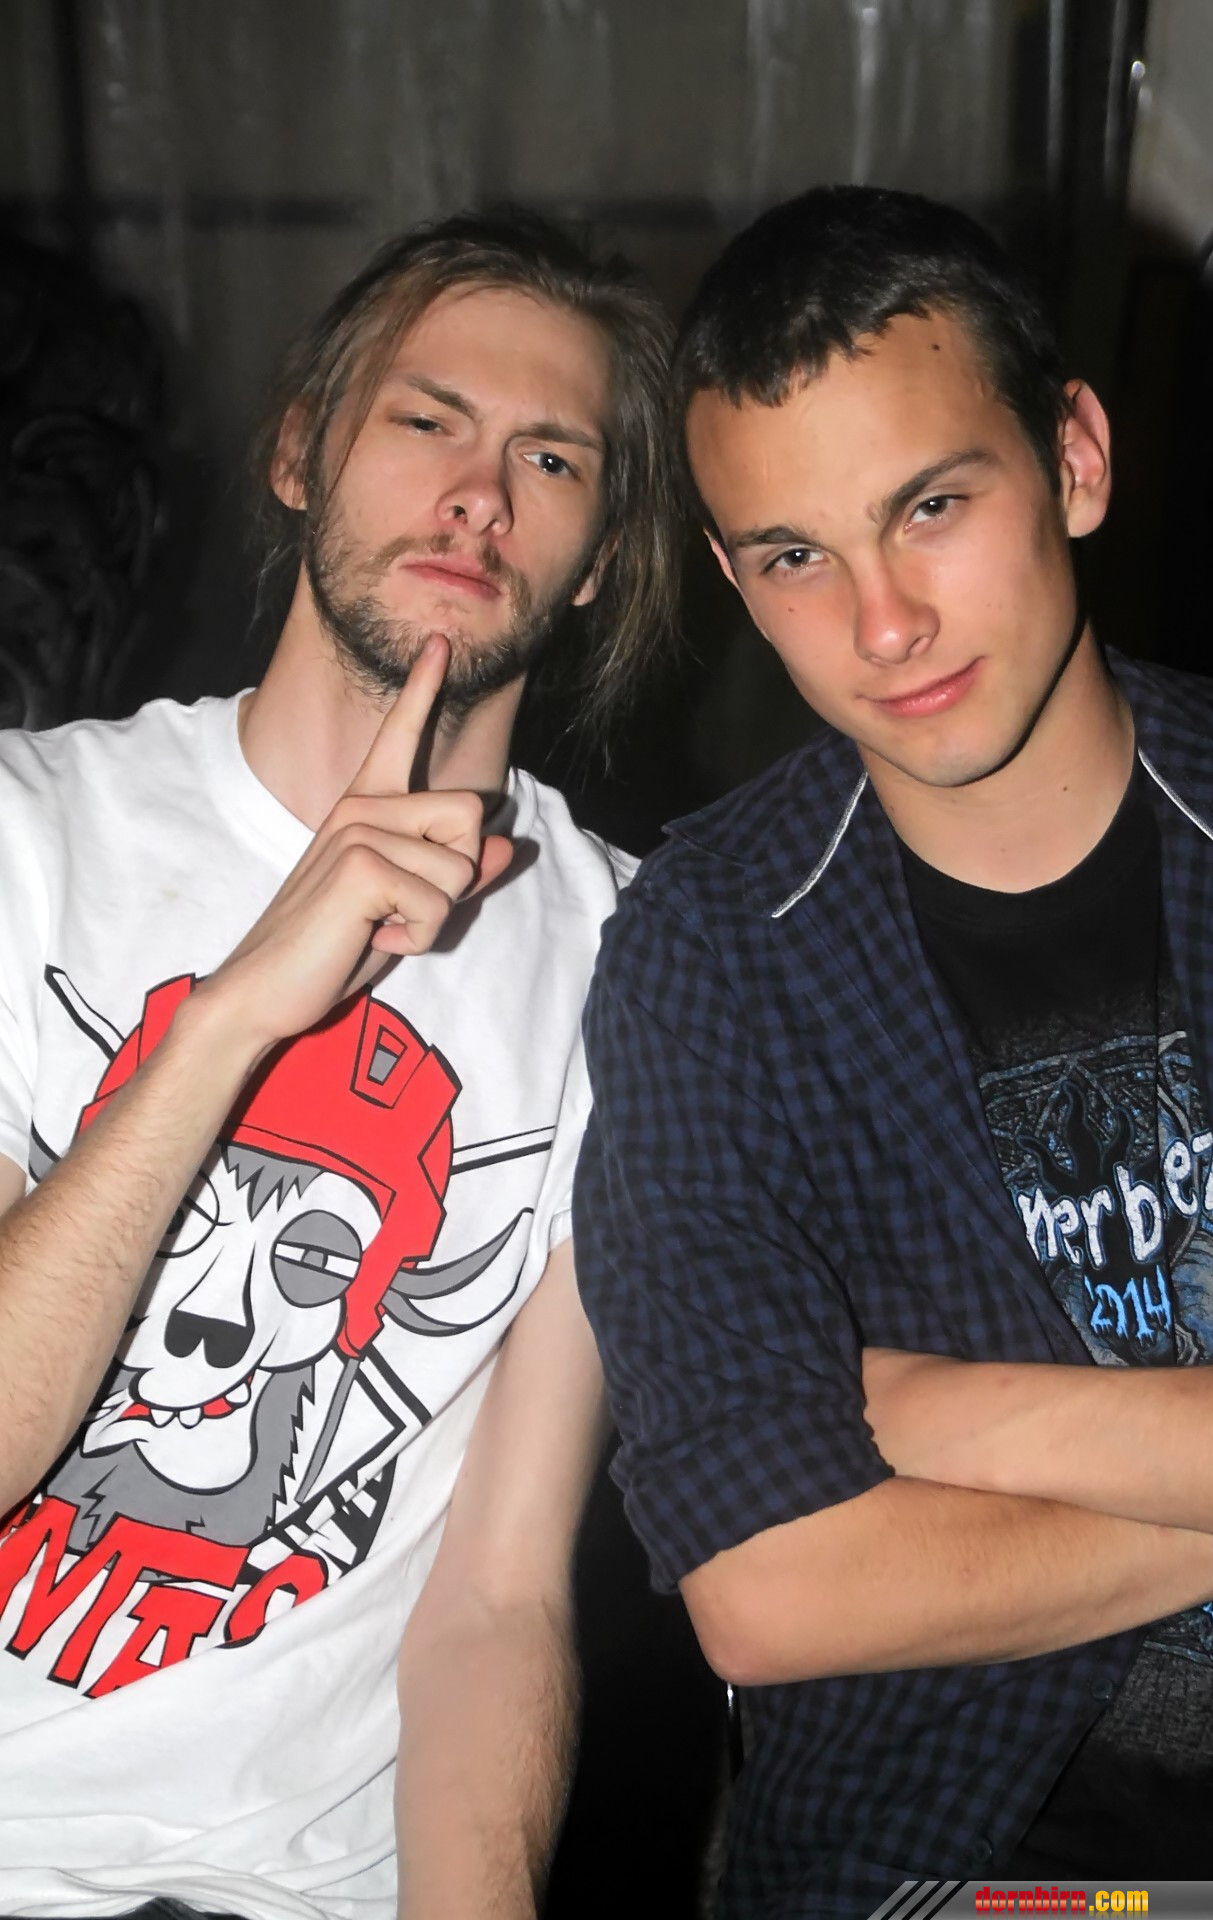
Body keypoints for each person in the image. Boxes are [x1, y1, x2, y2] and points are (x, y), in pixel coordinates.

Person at [574, 183, 1213, 1916]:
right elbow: (768, 1591)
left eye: (933, 507)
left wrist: (943, 1415)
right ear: (734, 580)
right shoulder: (712, 945)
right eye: (795, 557)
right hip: (958, 1877)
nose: (882, 624)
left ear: (1076, 460)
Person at [0, 207, 678, 1920]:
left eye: (550, 457)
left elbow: (500, 1600)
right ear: (301, 451)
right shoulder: (25, 839)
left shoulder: (636, 962)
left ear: (600, 558)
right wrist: (238, 1012)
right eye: (426, 419)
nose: (479, 493)